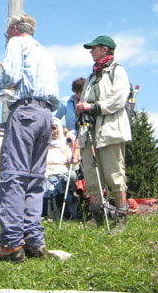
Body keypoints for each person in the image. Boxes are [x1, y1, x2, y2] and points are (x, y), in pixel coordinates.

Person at [0, 13, 59, 262]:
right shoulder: (44, 52)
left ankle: (12, 243)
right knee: (35, 180)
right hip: (46, 116)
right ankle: (35, 240)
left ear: (13, 29)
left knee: (13, 176)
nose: (6, 36)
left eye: (6, 32)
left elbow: (11, 77)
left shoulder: (17, 43)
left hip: (24, 113)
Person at [75, 35, 131, 229]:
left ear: (105, 49)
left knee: (114, 173)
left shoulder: (118, 71)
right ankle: (96, 215)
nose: (91, 51)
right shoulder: (91, 77)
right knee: (91, 175)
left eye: (94, 48)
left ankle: (121, 217)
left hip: (110, 131)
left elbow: (119, 100)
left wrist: (93, 107)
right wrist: (81, 109)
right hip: (89, 131)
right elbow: (84, 100)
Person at [43, 117, 79, 220]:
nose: (52, 132)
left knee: (67, 177)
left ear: (59, 129)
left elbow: (74, 161)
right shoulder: (43, 146)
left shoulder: (65, 144)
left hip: (61, 175)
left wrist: (74, 145)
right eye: (49, 129)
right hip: (45, 176)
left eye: (54, 128)